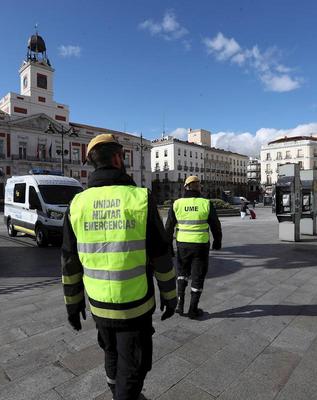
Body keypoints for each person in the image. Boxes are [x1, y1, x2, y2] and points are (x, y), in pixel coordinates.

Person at [61, 134, 177, 400]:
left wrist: (72, 304)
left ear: (92, 163)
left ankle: (117, 390)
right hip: (134, 306)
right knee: (135, 366)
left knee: (111, 352)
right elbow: (161, 255)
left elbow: (69, 261)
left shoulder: (77, 204)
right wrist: (171, 297)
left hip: (99, 304)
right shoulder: (140, 198)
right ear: (116, 158)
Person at [165, 176, 222, 319]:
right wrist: (217, 241)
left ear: (185, 187)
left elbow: (169, 227)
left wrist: (168, 247)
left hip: (182, 245)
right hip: (200, 246)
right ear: (199, 187)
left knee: (182, 273)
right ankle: (193, 309)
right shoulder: (206, 203)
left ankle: (179, 304)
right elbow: (215, 225)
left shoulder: (176, 204)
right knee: (197, 276)